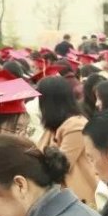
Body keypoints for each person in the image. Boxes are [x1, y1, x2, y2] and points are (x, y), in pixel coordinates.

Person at [35, 76, 97, 207]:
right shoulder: (52, 127)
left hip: (79, 198)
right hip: (62, 196)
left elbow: (60, 166)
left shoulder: (75, 126)